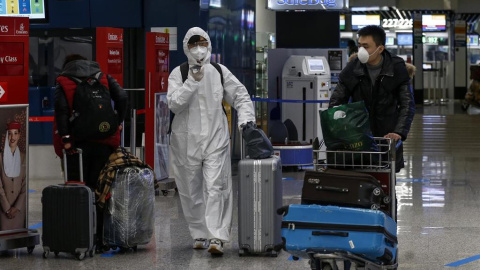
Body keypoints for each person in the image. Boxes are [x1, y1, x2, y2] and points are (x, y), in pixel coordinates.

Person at [167, 27, 255, 255]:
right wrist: (191, 83)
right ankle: (199, 232)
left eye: (203, 42)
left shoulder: (219, 71)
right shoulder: (179, 73)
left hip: (215, 138)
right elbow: (174, 104)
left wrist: (246, 120)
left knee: (217, 186)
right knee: (189, 190)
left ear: (209, 45)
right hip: (186, 141)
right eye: (194, 43)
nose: (198, 48)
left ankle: (217, 236)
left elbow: (240, 95)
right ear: (186, 47)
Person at [54, 54, 128, 252]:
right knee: (101, 191)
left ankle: (81, 238)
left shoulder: (64, 80)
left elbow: (61, 111)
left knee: (79, 190)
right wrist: (116, 122)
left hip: (78, 146)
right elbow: (122, 96)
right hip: (105, 143)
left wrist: (66, 139)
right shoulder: (102, 76)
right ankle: (101, 239)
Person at [329, 25, 415, 172]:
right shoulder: (352, 69)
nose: (361, 50)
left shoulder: (396, 68)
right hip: (358, 138)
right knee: (358, 184)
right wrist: (342, 128)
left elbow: (407, 103)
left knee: (385, 183)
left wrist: (398, 132)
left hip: (386, 138)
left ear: (380, 49)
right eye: (359, 46)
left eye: (366, 46)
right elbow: (336, 102)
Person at [0, 122, 26, 231]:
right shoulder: (0, 157)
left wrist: (17, 207)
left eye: (15, 133)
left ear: (19, 135)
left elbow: (25, 184)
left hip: (18, 209)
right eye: (10, 134)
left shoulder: (24, 157)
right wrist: (7, 208)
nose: (13, 137)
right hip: (3, 208)